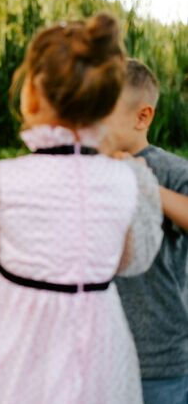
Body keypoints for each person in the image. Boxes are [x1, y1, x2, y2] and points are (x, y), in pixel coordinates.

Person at [0, 14, 163, 404]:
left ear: (32, 94)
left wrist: (32, 288)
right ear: (106, 103)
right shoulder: (131, 181)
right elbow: (127, 258)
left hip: (15, 326)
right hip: (99, 332)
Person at [104, 58, 188, 404]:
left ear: (143, 117)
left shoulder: (169, 169)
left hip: (160, 357)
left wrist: (144, 185)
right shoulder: (93, 169)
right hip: (102, 352)